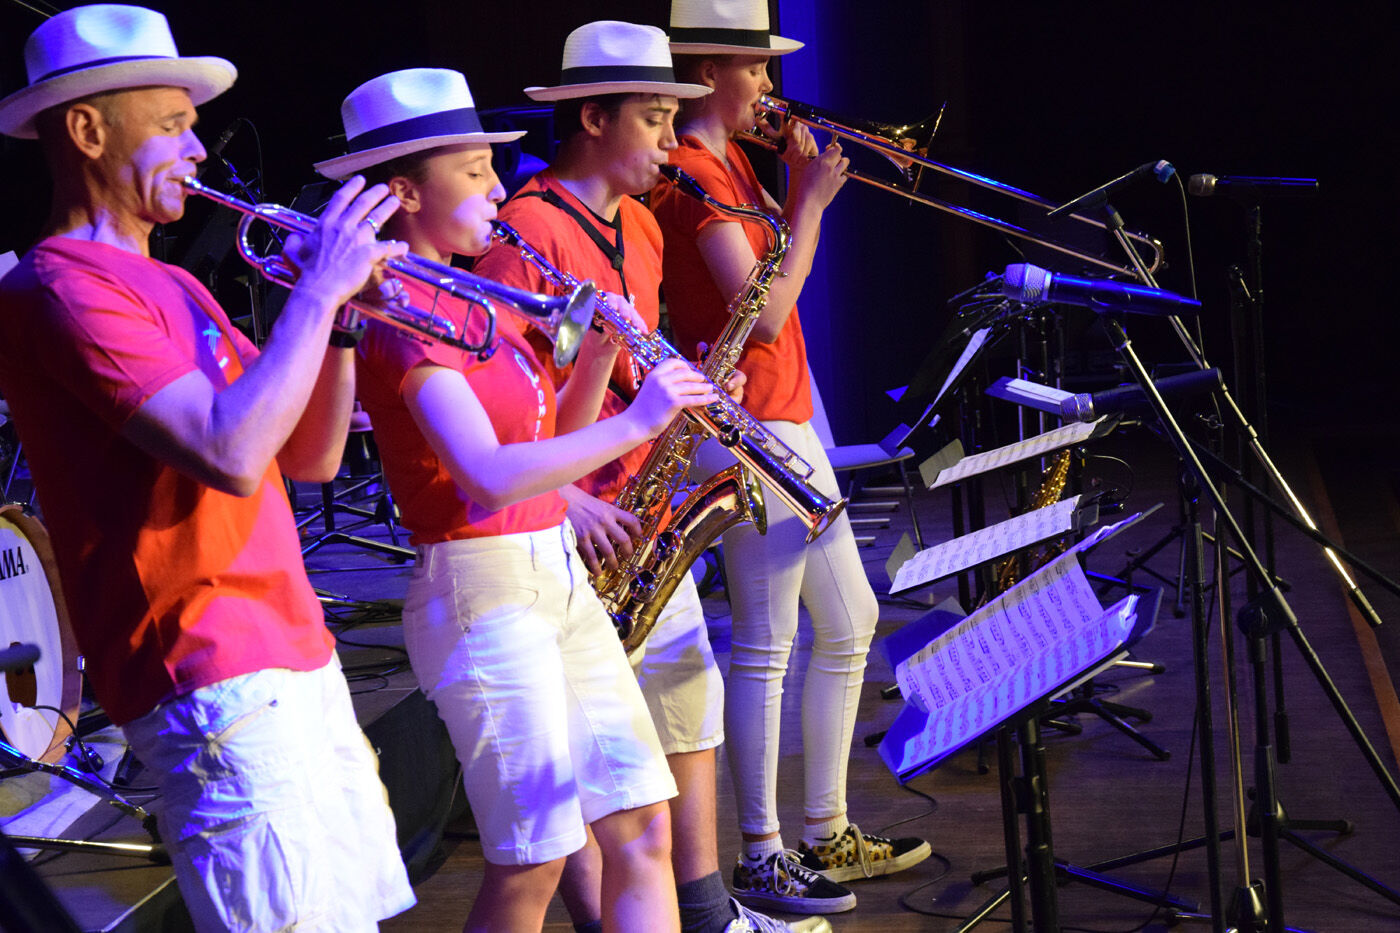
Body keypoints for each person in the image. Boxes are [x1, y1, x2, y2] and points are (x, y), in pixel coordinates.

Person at [0, 5, 415, 930]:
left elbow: (309, 455)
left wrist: (341, 319)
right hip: (208, 671)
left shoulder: (179, 280)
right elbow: (229, 451)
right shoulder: (60, 286)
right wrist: (317, 290)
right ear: (87, 129)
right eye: (173, 124)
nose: (198, 149)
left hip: (293, 649)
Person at [314, 65, 720, 932]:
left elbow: (548, 443)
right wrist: (639, 419)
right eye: (474, 171)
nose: (499, 187)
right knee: (534, 858)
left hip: (557, 574)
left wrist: (603, 353)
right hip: (481, 589)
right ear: (403, 193)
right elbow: (488, 475)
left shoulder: (477, 297)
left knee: (643, 824)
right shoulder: (395, 310)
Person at [473, 20, 829, 933]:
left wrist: (696, 387)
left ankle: (703, 911)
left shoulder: (638, 221)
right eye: (654, 118)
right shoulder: (527, 233)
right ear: (593, 118)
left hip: (640, 504)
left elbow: (628, 362)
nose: (673, 140)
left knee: (684, 693)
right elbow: (505, 412)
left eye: (676, 117)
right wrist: (565, 497)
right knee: (589, 764)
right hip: (571, 520)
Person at [649, 0, 933, 915]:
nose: (770, 87)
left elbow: (780, 273)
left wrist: (791, 187)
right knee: (766, 640)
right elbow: (764, 312)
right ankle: (762, 853)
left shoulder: (734, 160)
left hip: (791, 413)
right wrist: (807, 203)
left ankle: (826, 829)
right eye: (757, 69)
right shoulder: (691, 176)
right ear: (709, 73)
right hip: (745, 423)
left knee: (850, 618)